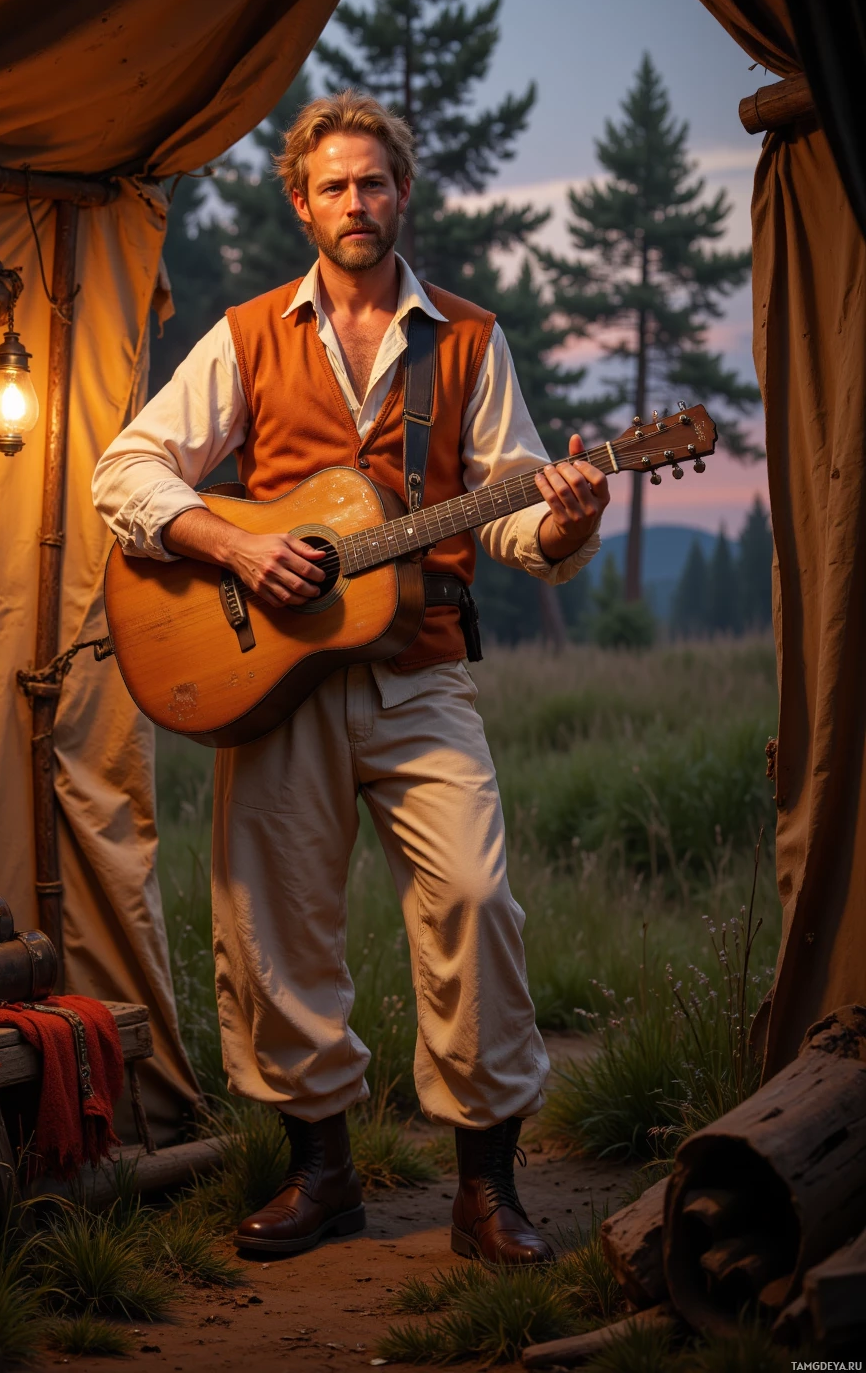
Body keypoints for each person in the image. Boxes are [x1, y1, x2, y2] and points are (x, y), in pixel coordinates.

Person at [93, 90, 609, 1266]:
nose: (356, 203)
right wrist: (230, 545)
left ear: (402, 194)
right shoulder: (246, 334)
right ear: (302, 202)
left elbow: (515, 526)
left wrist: (567, 522)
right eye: (334, 185)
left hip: (420, 675)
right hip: (270, 682)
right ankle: (322, 1177)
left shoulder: (468, 339)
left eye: (374, 182)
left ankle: (486, 1191)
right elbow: (127, 470)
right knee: (270, 930)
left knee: (475, 903)